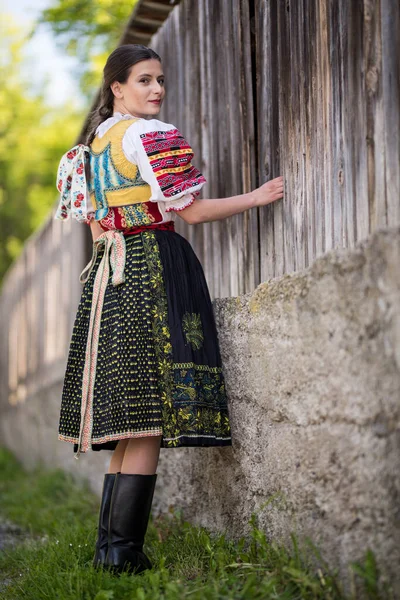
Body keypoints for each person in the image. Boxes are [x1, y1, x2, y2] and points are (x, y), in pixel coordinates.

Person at [54, 44, 283, 576]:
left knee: (134, 418)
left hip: (112, 274)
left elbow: (96, 229)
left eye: (160, 80)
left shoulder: (88, 149)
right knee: (150, 418)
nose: (157, 89)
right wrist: (257, 196)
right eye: (144, 80)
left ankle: (111, 552)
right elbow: (194, 211)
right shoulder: (148, 135)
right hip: (154, 262)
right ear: (117, 87)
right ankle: (122, 554)